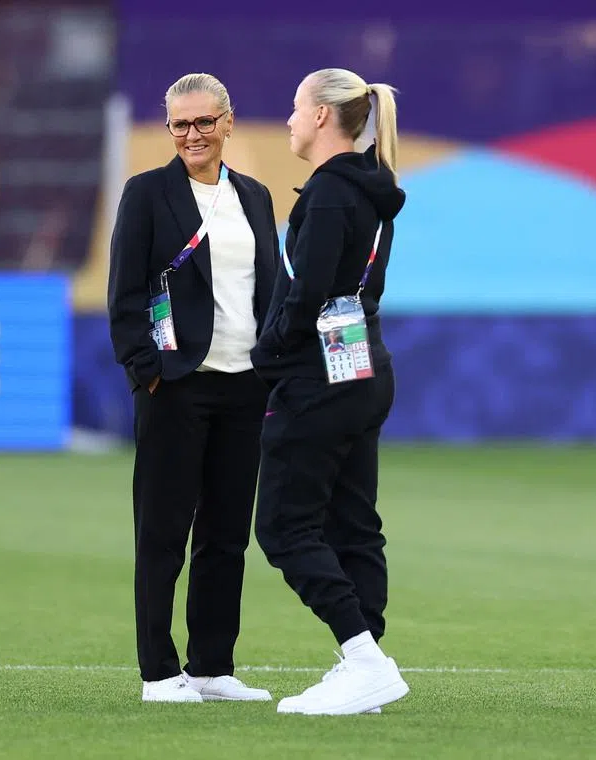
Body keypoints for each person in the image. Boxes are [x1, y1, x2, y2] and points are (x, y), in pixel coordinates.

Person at [107, 73, 280, 704]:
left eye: (204, 122)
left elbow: (270, 289)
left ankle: (212, 666)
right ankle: (159, 671)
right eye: (180, 124)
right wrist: (145, 370)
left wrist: (273, 367)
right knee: (162, 531)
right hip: (175, 386)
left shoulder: (256, 197)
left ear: (227, 121)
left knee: (227, 534)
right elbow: (124, 293)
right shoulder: (147, 193)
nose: (192, 135)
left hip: (243, 384)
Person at [251, 67, 409, 715]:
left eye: (295, 107)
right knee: (353, 524)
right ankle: (361, 669)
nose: (289, 119)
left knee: (285, 529)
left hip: (320, 376)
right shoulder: (374, 192)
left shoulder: (328, 196)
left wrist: (268, 357)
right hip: (361, 366)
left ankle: (365, 659)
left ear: (321, 116)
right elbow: (349, 294)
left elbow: (307, 295)